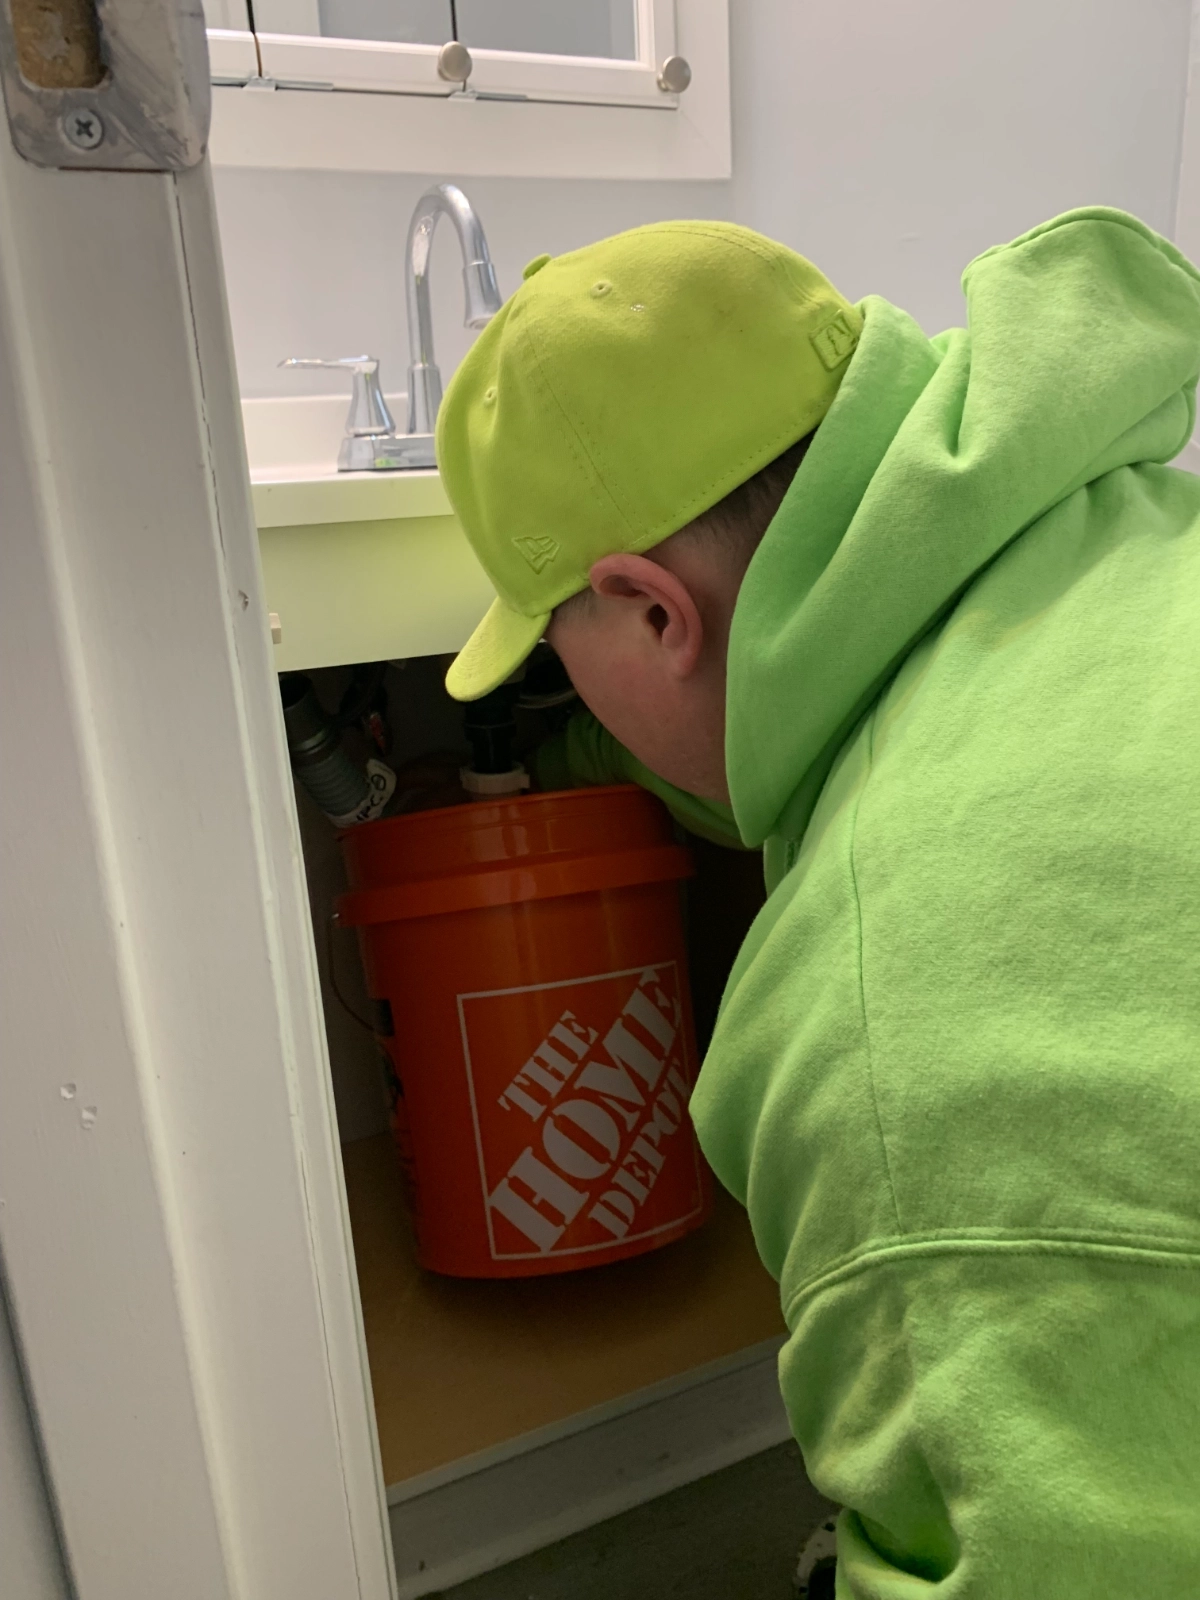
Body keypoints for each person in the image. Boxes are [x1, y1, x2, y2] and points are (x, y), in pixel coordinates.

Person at [435, 211, 1200, 1594]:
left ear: (654, 612)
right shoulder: (1094, 530)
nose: (568, 690)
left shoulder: (896, 1057)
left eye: (557, 653)